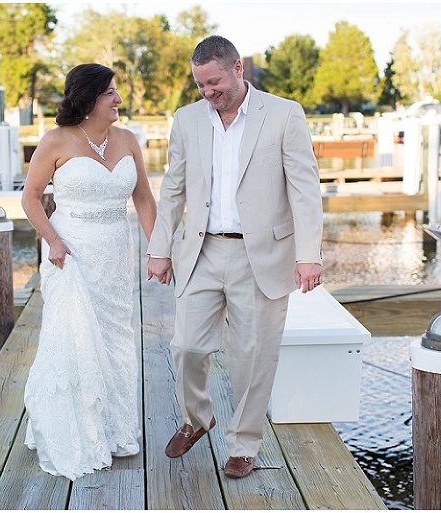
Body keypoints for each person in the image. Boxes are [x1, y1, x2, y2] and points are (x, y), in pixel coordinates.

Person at [146, 36, 323, 479]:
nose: (208, 92)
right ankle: (197, 418)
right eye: (201, 85)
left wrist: (309, 255)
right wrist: (159, 248)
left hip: (261, 253)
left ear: (237, 68)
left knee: (253, 356)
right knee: (186, 346)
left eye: (214, 82)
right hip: (201, 251)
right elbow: (173, 188)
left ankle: (244, 445)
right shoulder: (187, 120)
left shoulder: (284, 114)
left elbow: (304, 188)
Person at [21, 63, 157, 480]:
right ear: (89, 97)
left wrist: (161, 251)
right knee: (74, 337)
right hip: (71, 253)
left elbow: (146, 202)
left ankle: (116, 431)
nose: (119, 99)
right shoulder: (55, 141)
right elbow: (29, 199)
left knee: (115, 337)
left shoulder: (129, 140)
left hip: (116, 253)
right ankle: (79, 431)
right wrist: (54, 242)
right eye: (111, 93)